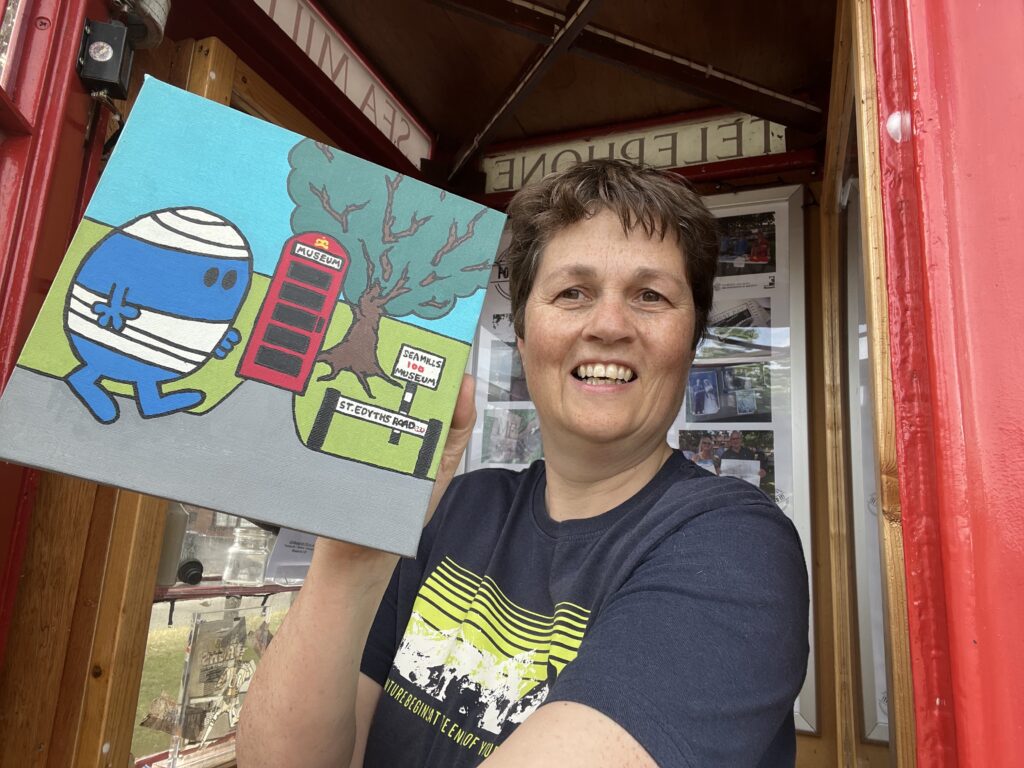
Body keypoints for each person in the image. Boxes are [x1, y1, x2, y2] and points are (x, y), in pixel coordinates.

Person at [237, 159, 809, 768]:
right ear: (525, 338)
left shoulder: (734, 548)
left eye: (650, 295)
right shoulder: (458, 507)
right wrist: (355, 551)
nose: (609, 324)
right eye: (572, 292)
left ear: (690, 341)